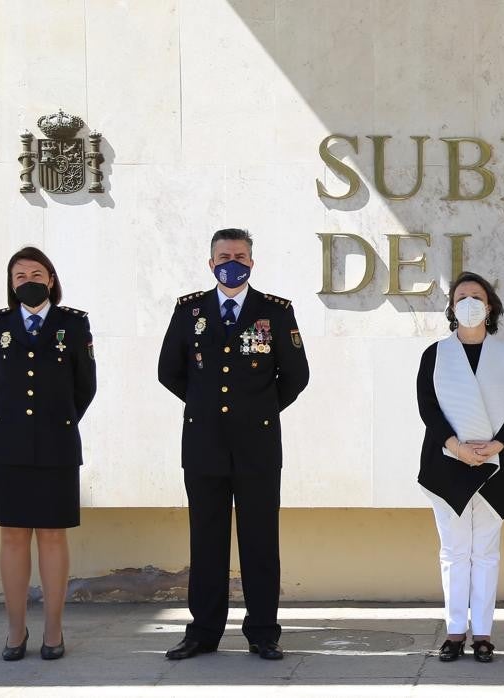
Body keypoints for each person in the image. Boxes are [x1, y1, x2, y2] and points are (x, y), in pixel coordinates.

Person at [157, 228, 310, 661]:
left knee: (260, 542)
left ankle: (263, 632)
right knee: (206, 542)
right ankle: (203, 632)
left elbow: (296, 375)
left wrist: (258, 410)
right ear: (210, 263)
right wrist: (205, 405)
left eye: (240, 255)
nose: (233, 261)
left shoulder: (275, 312)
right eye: (224, 255)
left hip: (257, 445)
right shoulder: (190, 311)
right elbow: (170, 370)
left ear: (251, 262)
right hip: (204, 444)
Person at [0, 246, 96, 661]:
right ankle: (14, 632)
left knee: (51, 535)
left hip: (56, 445)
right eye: (19, 276)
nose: (28, 281)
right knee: (12, 535)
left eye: (36, 273)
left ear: (51, 279)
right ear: (12, 286)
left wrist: (54, 422)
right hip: (7, 447)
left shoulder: (73, 324)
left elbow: (85, 387)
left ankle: (52, 631)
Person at [416, 271, 504, 663]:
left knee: (485, 551)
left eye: (475, 296)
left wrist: (496, 444)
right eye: (460, 296)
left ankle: (482, 633)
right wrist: (456, 447)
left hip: (495, 463)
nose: (468, 302)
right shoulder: (436, 354)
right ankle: (453, 632)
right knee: (453, 551)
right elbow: (428, 408)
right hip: (448, 462)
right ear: (451, 308)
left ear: (490, 305)